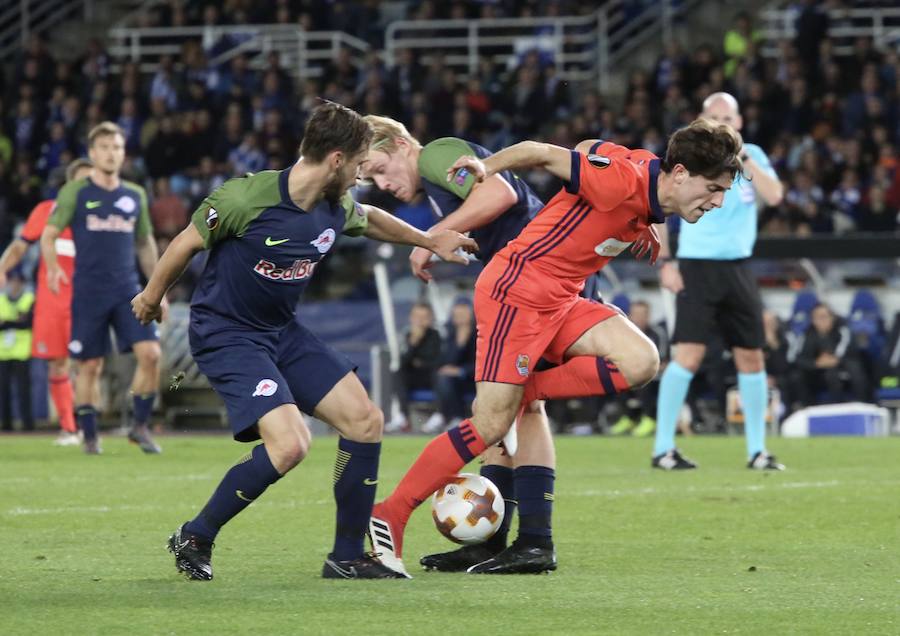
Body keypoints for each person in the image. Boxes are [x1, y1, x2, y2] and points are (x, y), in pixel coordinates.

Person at [367, 117, 742, 577]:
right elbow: (539, 151)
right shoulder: (624, 179)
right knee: (490, 425)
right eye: (713, 188)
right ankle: (390, 512)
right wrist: (486, 167)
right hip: (517, 291)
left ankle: (528, 515)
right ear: (680, 174)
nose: (719, 200)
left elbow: (588, 144)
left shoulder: (646, 177)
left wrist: (645, 223)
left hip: (562, 298)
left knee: (641, 361)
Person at [130, 102, 476, 581]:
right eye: (358, 165)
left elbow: (371, 218)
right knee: (291, 445)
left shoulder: (335, 206)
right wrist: (151, 297)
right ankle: (195, 534)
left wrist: (428, 240)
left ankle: (346, 556)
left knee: (365, 419)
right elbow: (185, 243)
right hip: (227, 334)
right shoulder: (245, 198)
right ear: (335, 160)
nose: (361, 176)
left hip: (281, 331)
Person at [361, 115, 558, 573]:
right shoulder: (435, 182)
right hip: (525, 286)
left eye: (377, 168)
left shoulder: (436, 155)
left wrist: (429, 240)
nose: (380, 183)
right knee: (503, 405)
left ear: (400, 144)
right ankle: (497, 540)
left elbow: (499, 192)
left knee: (521, 406)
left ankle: (533, 542)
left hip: (542, 283)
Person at [652, 92, 785, 471]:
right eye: (715, 116)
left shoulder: (753, 156)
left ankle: (757, 451)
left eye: (729, 116)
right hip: (695, 265)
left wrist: (743, 159)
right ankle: (663, 448)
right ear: (701, 122)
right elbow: (658, 207)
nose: (723, 122)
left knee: (751, 355)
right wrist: (665, 263)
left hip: (739, 267)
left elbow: (775, 196)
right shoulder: (688, 160)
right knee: (687, 356)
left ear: (740, 123)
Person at [41, 122, 164, 455]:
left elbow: (144, 242)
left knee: (151, 355)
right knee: (89, 366)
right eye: (105, 147)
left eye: (117, 147)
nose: (112, 153)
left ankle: (139, 426)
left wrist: (158, 288)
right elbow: (49, 234)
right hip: (89, 291)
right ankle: (91, 436)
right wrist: (52, 267)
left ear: (124, 153)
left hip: (129, 290)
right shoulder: (75, 192)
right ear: (93, 153)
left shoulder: (135, 194)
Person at [0, 158, 93, 445]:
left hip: (88, 300)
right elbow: (20, 245)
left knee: (88, 364)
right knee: (58, 363)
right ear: (68, 184)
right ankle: (69, 428)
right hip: (53, 302)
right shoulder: (46, 211)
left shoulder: (99, 215)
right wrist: (2, 267)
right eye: (81, 180)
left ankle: (88, 425)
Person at [791, 303, 870, 408]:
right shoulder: (806, 334)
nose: (821, 320)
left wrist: (833, 359)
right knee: (797, 376)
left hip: (841, 370)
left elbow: (846, 351)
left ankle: (858, 405)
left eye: (824, 317)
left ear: (832, 317)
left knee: (841, 372)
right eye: (817, 317)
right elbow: (798, 358)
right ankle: (807, 409)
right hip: (816, 372)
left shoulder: (842, 330)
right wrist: (816, 364)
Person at [608, 300, 668, 437]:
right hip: (630, 373)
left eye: (643, 314)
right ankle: (628, 418)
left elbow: (663, 361)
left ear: (649, 316)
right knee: (615, 380)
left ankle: (649, 419)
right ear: (630, 315)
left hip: (655, 374)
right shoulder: (623, 333)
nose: (640, 318)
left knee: (644, 382)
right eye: (636, 314)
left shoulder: (657, 334)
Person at [392, 301, 442, 432]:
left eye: (424, 317)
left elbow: (435, 359)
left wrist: (419, 361)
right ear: (411, 318)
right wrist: (414, 342)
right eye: (416, 317)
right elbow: (403, 361)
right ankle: (403, 416)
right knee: (398, 372)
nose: (419, 321)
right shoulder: (406, 335)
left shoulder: (436, 335)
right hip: (414, 378)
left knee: (439, 374)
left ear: (430, 319)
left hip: (431, 377)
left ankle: (439, 414)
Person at [430, 298, 477, 432]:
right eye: (457, 315)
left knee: (446, 378)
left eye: (463, 315)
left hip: (474, 378)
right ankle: (445, 415)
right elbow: (444, 361)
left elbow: (482, 364)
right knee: (441, 375)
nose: (460, 318)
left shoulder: (479, 334)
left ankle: (455, 416)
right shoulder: (449, 334)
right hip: (454, 380)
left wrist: (461, 371)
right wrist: (459, 344)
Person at [0, 269, 34, 432]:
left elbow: (28, 323)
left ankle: (27, 425)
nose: (14, 285)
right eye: (12, 281)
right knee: (3, 390)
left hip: (22, 352)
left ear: (23, 284)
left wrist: (7, 322)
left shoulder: (29, 299)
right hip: (3, 353)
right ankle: (6, 425)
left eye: (18, 282)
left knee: (23, 390)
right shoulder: (1, 300)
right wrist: (17, 321)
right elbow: (21, 322)